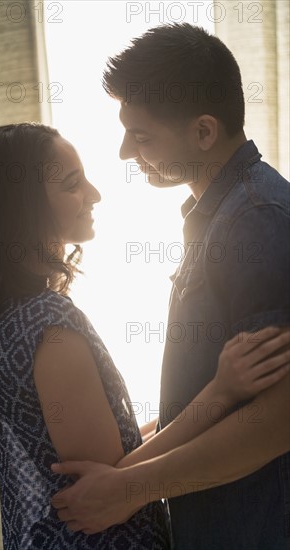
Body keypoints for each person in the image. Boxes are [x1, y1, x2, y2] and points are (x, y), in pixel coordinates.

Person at [0, 122, 289, 549]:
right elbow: (112, 478)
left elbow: (117, 447)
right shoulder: (48, 327)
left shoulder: (17, 319)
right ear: (21, 210)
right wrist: (221, 391)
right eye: (72, 185)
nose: (94, 194)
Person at [50, 23, 290, 549]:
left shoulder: (256, 218)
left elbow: (276, 420)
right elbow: (212, 393)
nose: (122, 154)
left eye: (141, 136)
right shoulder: (220, 216)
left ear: (204, 132)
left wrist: (128, 489)